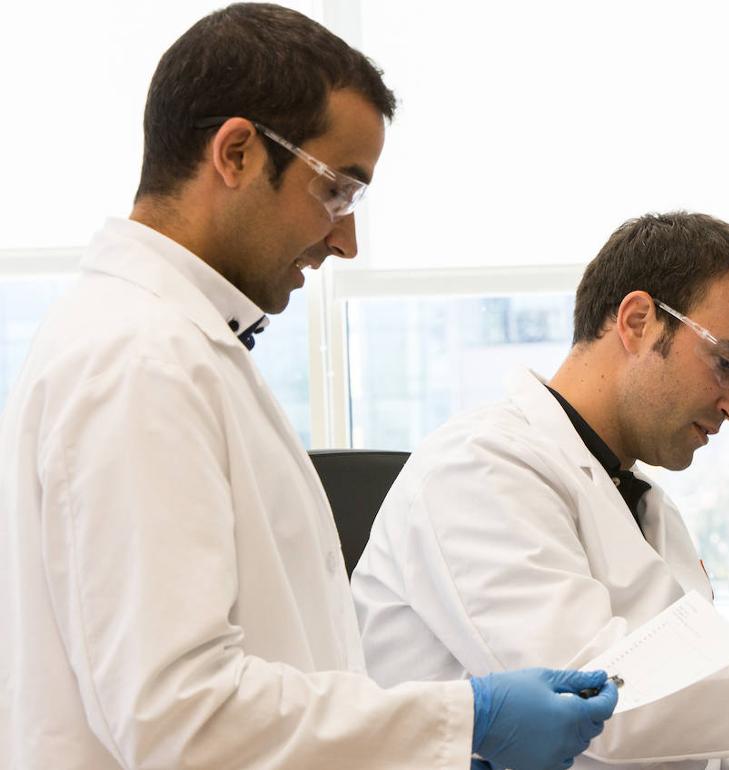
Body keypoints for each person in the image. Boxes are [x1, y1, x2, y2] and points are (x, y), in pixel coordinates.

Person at [0, 5, 616, 768]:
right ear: (235, 153)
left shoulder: (172, 342)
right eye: (338, 191)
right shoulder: (138, 359)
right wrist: (466, 718)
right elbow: (181, 720)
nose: (346, 240)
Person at [352, 211, 729, 770]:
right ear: (638, 321)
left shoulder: (646, 505)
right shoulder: (478, 470)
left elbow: (679, 719)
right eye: (728, 362)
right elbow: (600, 711)